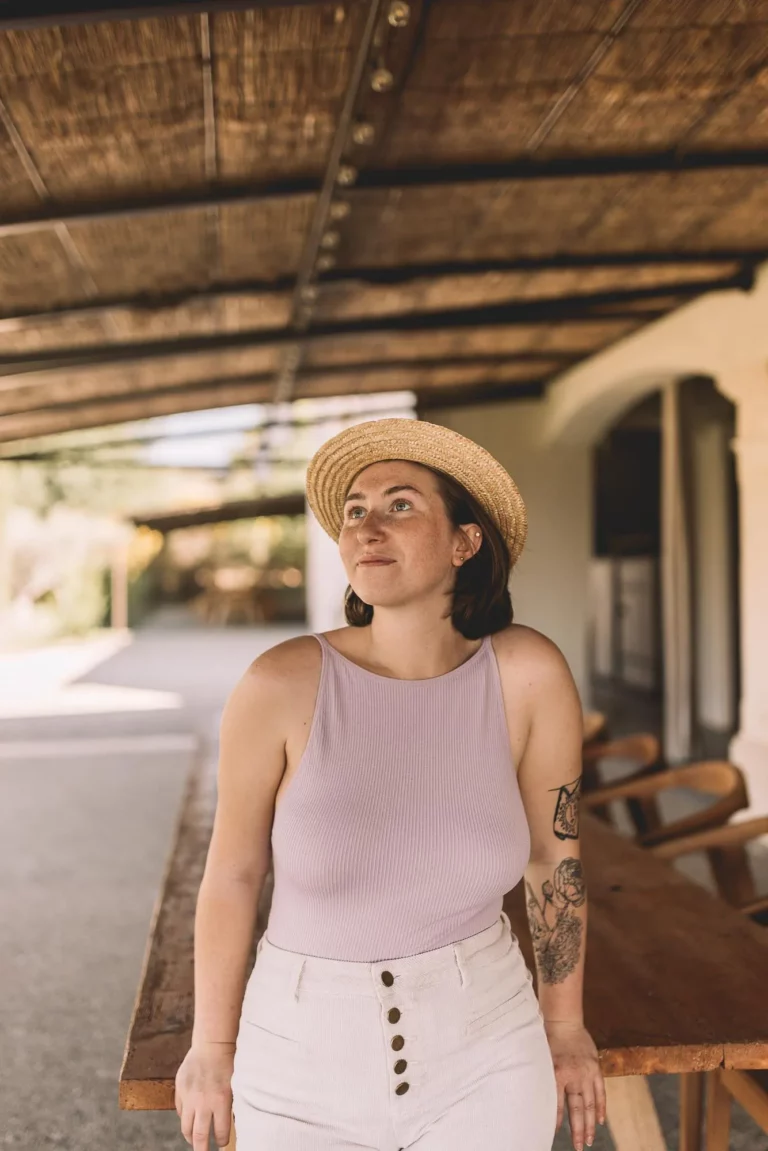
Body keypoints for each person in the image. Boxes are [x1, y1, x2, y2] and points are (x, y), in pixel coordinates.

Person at [175, 417, 606, 1151]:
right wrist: (212, 1046)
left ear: (465, 542)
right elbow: (233, 874)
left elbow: (553, 860)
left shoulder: (528, 674)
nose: (368, 526)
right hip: (299, 1053)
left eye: (401, 504)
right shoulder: (280, 683)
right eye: (354, 510)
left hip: (488, 1043)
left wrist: (564, 1027)